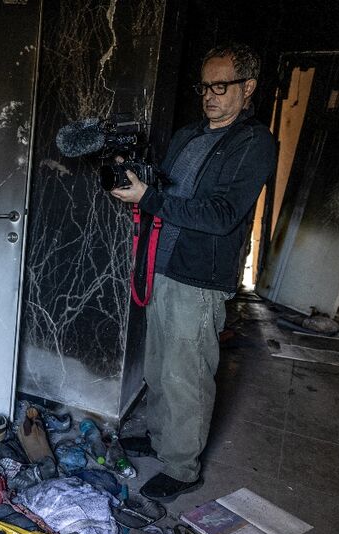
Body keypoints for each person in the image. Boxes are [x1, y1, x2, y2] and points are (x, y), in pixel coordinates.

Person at [109, 44, 277, 501]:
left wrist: (150, 198)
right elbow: (163, 187)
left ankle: (183, 468)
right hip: (160, 264)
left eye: (221, 86)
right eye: (205, 86)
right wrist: (133, 178)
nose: (210, 95)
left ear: (248, 88)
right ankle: (164, 438)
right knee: (161, 366)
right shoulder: (188, 135)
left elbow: (223, 214)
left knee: (189, 375)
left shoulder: (254, 143)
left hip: (198, 277)